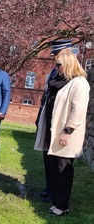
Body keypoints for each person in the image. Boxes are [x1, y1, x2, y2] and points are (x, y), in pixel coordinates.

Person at [34, 51, 90, 216]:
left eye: (59, 65)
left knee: (63, 169)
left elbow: (78, 111)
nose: (56, 67)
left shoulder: (79, 83)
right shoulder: (59, 81)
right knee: (54, 168)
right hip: (53, 132)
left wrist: (67, 131)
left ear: (69, 64)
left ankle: (62, 205)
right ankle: (56, 201)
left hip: (66, 134)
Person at [35, 40, 73, 202]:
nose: (54, 57)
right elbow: (46, 97)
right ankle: (49, 188)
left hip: (60, 124)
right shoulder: (54, 71)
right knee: (48, 158)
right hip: (47, 120)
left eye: (57, 54)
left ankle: (57, 193)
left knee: (59, 161)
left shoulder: (72, 74)